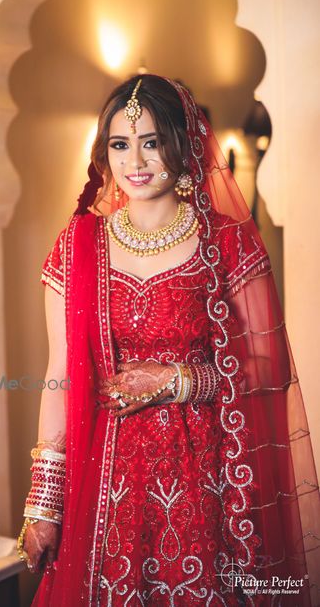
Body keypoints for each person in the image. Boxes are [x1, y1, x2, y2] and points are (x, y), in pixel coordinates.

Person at [17, 75, 320, 606]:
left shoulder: (225, 243)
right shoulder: (79, 246)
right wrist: (43, 505)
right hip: (104, 477)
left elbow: (268, 365)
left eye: (151, 142)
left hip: (208, 473)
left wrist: (182, 380)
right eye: (119, 144)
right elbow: (59, 374)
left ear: (183, 146)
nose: (134, 161)